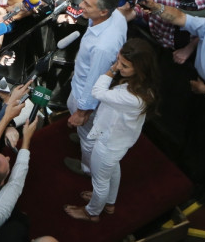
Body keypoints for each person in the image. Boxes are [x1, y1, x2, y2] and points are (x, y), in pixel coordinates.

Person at [64, 38, 158, 222]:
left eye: (124, 65)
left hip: (109, 143)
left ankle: (92, 212)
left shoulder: (131, 96)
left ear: (140, 68)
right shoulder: (143, 87)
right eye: (118, 60)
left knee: (100, 181)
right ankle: (109, 203)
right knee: (111, 171)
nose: (119, 66)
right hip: (115, 139)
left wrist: (111, 70)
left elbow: (97, 92)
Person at [65, 0, 128, 176]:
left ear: (103, 11)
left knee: (90, 137)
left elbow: (95, 81)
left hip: (86, 93)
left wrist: (82, 112)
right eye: (83, 0)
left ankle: (88, 169)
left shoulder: (104, 46)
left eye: (87, 5)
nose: (81, 6)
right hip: (80, 83)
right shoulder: (115, 15)